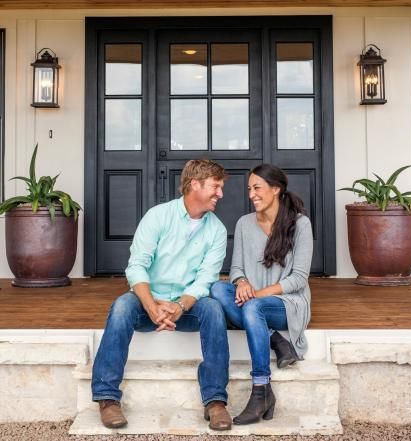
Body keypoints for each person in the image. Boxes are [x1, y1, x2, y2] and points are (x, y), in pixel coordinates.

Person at [92, 159, 232, 431]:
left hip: (187, 307)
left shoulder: (216, 230)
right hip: (147, 303)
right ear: (195, 184)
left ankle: (216, 402)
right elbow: (137, 266)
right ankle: (107, 398)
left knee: (214, 309)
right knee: (121, 307)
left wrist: (180, 306)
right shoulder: (158, 216)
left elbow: (206, 280)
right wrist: (152, 306)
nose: (221, 194)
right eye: (216, 186)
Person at [211, 164, 313, 425]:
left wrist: (257, 295)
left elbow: (299, 278)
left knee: (252, 308)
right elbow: (235, 269)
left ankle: (260, 388)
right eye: (249, 189)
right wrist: (242, 281)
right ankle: (275, 339)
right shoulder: (244, 223)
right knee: (218, 289)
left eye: (257, 188)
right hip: (252, 302)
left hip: (287, 304)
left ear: (276, 189)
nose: (252, 194)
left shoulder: (301, 224)